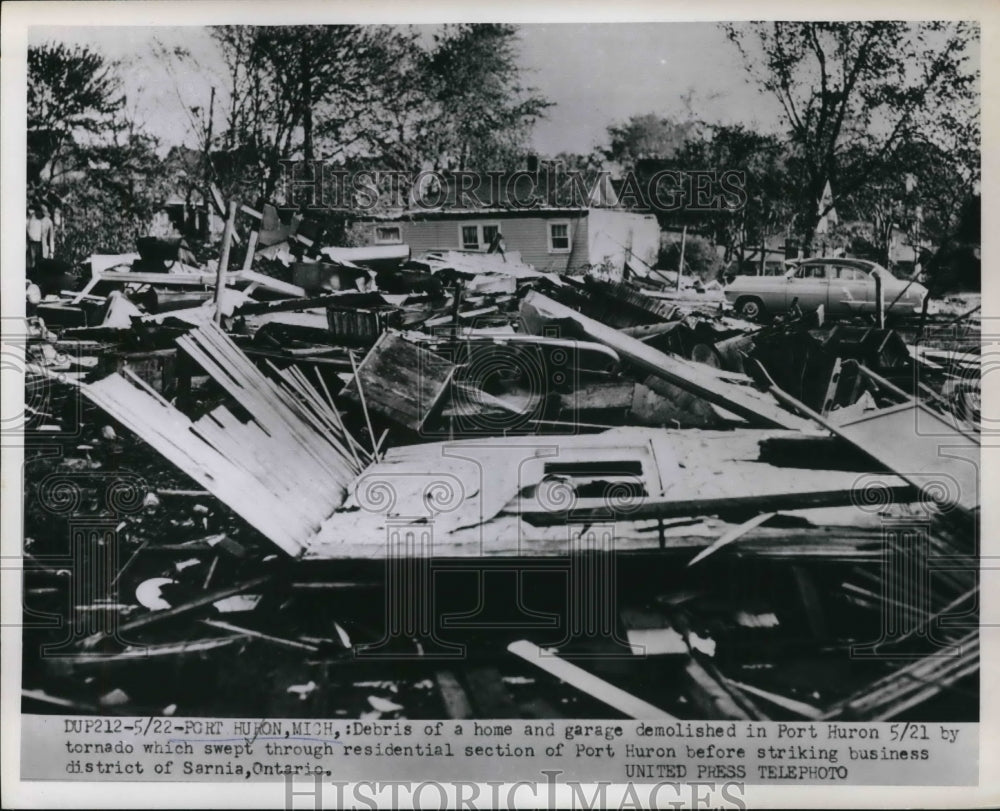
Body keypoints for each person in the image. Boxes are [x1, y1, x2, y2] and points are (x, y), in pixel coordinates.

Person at [26, 206, 43, 271]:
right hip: (33, 240)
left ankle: (35, 269)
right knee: (32, 256)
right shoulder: (30, 220)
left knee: (36, 256)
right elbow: (28, 229)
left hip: (37, 240)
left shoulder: (39, 221)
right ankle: (32, 269)